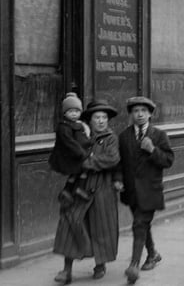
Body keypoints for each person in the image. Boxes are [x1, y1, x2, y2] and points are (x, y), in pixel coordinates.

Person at [53, 100, 122, 284]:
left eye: (104, 117)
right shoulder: (81, 136)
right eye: (96, 117)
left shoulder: (111, 138)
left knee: (101, 228)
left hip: (102, 189)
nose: (100, 121)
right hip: (79, 188)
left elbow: (112, 159)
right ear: (89, 120)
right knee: (69, 222)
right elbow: (67, 151)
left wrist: (86, 162)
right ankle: (67, 270)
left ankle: (100, 264)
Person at [118, 96, 174, 284]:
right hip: (131, 191)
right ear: (131, 114)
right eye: (136, 111)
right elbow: (119, 163)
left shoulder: (159, 135)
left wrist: (152, 150)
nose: (140, 114)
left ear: (150, 114)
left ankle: (134, 265)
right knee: (142, 224)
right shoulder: (124, 136)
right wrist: (118, 180)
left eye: (143, 111)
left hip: (150, 191)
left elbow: (168, 160)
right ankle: (152, 254)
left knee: (139, 224)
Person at [49, 92, 93, 204]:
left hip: (77, 153)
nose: (74, 114)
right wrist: (81, 153)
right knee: (80, 169)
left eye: (77, 111)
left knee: (81, 171)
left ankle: (77, 188)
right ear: (65, 113)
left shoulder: (79, 124)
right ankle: (70, 189)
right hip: (68, 155)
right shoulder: (64, 126)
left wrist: (90, 141)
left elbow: (83, 139)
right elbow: (69, 142)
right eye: (71, 111)